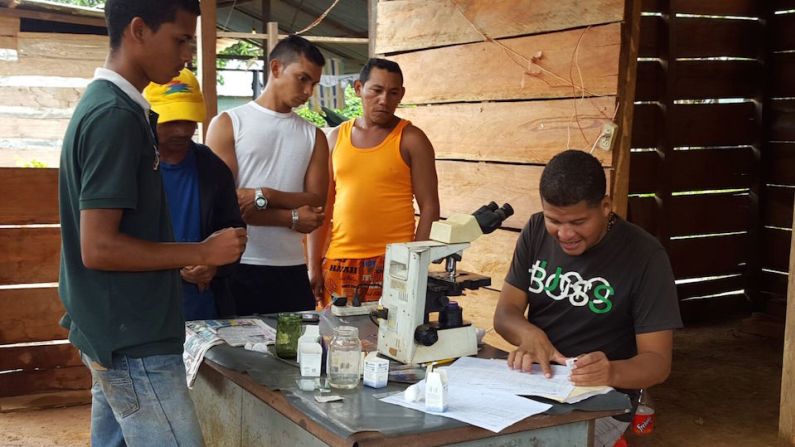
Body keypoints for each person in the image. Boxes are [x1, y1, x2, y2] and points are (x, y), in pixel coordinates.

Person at [57, 1, 247, 445]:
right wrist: (202, 251)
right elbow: (98, 247)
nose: (187, 56)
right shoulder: (115, 117)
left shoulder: (114, 106)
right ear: (139, 30)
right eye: (180, 39)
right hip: (133, 339)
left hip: (114, 328)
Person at [493, 149, 682, 446]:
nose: (565, 234)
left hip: (603, 401)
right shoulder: (534, 231)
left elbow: (658, 363)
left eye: (579, 222)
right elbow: (506, 314)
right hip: (534, 383)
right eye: (553, 220)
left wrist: (611, 371)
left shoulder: (645, 256)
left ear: (605, 206)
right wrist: (527, 333)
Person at [206, 35, 329, 316]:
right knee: (236, 357)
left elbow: (316, 202)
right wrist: (292, 217)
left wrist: (264, 195)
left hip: (291, 268)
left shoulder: (314, 135)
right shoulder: (229, 123)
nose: (308, 91)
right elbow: (228, 206)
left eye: (314, 84)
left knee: (295, 356)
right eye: (302, 79)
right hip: (238, 264)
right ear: (275, 68)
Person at [307, 58, 440, 306]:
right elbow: (321, 208)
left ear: (401, 94)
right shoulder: (336, 137)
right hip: (339, 262)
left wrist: (415, 263)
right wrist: (313, 263)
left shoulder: (411, 139)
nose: (384, 100)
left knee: (388, 341)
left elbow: (430, 206)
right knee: (336, 340)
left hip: (392, 261)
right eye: (376, 91)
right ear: (358, 88)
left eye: (393, 93)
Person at [143, 68, 245, 320]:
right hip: (147, 312)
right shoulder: (134, 167)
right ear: (149, 117)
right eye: (171, 121)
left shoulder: (213, 168)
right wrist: (177, 267)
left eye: (188, 120)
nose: (181, 130)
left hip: (204, 312)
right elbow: (116, 246)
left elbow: (235, 234)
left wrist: (214, 264)